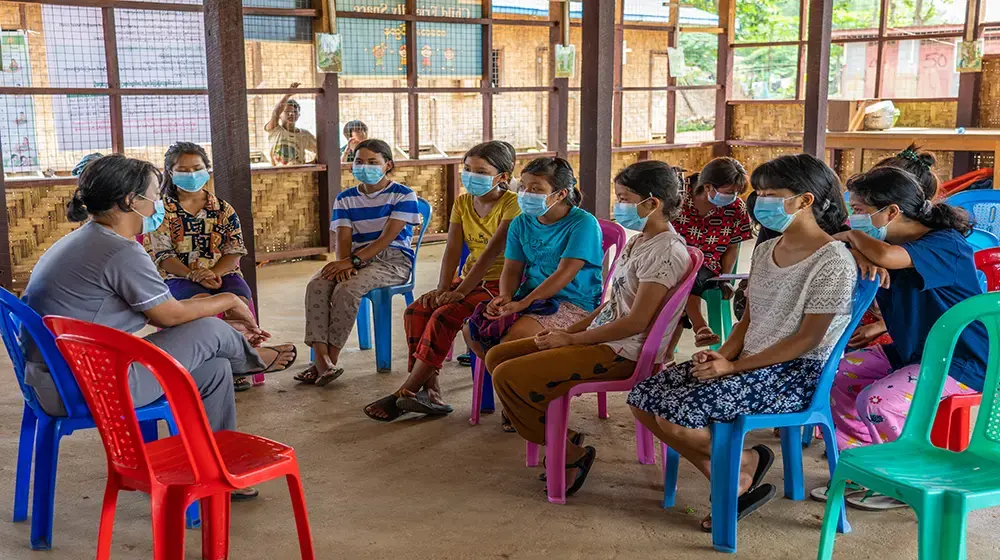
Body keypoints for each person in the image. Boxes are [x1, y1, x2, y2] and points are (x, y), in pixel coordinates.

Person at [21, 155, 296, 500]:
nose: (158, 204)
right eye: (154, 194)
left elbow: (164, 310)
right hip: (94, 387)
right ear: (131, 201)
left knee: (213, 368)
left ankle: (216, 468)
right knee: (209, 332)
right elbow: (170, 317)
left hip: (58, 380)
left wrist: (225, 305)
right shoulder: (120, 252)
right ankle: (253, 359)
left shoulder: (86, 239)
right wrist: (228, 302)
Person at [629, 154, 858, 531]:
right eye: (760, 192)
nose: (761, 201)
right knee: (643, 398)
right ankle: (737, 473)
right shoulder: (767, 250)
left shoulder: (833, 261)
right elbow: (749, 320)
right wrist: (721, 354)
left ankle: (739, 469)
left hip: (795, 373)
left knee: (678, 419)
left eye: (772, 193)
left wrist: (732, 367)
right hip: (750, 362)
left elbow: (808, 339)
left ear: (805, 200)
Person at [486, 161, 691, 496]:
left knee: (510, 376)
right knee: (498, 356)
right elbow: (610, 308)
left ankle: (571, 454)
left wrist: (572, 338)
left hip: (623, 352)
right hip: (604, 337)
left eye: (625, 198)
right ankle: (561, 437)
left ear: (652, 204)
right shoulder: (641, 242)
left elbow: (637, 322)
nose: (618, 205)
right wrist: (567, 335)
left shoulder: (666, 251)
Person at [811, 166, 985, 510]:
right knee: (836, 376)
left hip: (963, 361)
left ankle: (906, 480)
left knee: (877, 403)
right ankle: (864, 464)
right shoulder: (887, 241)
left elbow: (887, 259)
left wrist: (852, 239)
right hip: (915, 351)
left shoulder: (944, 244)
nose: (853, 218)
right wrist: (860, 249)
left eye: (859, 210)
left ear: (891, 212)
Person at [364, 141, 520, 421]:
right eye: (468, 169)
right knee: (417, 311)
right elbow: (452, 248)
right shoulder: (462, 202)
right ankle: (431, 391)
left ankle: (406, 392)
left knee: (445, 315)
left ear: (503, 177)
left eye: (481, 171)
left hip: (502, 284)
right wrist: (443, 287)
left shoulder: (513, 206)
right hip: (469, 279)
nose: (472, 175)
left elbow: (490, 253)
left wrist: (460, 292)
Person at [462, 156, 603, 430]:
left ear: (560, 194)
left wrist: (524, 302)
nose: (526, 194)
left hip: (573, 303)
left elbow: (564, 274)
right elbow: (512, 269)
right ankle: (517, 396)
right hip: (531, 298)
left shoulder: (582, 224)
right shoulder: (521, 222)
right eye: (523, 187)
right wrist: (505, 297)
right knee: (473, 329)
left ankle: (525, 404)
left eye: (536, 189)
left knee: (514, 338)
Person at [145, 142, 276, 391]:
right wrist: (194, 274)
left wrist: (212, 273)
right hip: (177, 276)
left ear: (207, 169)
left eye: (197, 168)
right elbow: (163, 256)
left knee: (239, 296)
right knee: (202, 301)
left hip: (221, 273)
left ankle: (240, 361)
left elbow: (234, 250)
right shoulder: (162, 211)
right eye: (183, 169)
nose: (192, 174)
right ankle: (235, 351)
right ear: (170, 173)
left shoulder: (222, 209)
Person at [297, 139, 420, 385]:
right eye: (359, 161)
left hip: (392, 260)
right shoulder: (345, 199)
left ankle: (328, 361)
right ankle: (322, 361)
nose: (365, 167)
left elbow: (386, 239)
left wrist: (351, 262)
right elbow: (343, 237)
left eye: (373, 162)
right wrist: (343, 263)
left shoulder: (403, 195)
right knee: (317, 285)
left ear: (388, 165)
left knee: (348, 288)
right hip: (354, 258)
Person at [671, 157, 753, 348]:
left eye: (737, 192)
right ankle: (695, 330)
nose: (733, 196)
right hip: (673, 261)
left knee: (690, 273)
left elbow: (732, 248)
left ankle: (700, 327)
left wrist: (725, 279)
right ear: (708, 187)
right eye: (729, 192)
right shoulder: (679, 199)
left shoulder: (735, 209)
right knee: (674, 271)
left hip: (708, 266)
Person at [265, 82, 317, 166]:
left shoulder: (305, 135)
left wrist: (310, 164)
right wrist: (287, 95)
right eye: (287, 112)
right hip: (277, 173)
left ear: (299, 115)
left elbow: (321, 150)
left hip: (298, 174)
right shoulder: (275, 130)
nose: (291, 114)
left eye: (294, 112)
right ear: (280, 115)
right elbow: (275, 113)